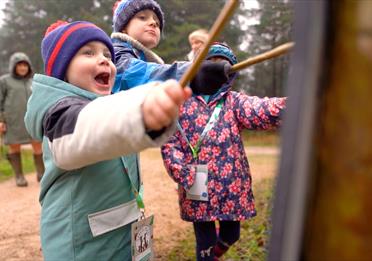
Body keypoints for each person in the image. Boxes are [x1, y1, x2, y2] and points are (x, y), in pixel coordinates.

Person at [24, 20, 191, 260]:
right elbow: (87, 129)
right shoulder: (59, 114)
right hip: (80, 249)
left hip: (120, 238)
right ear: (61, 69)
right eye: (88, 53)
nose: (105, 60)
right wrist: (141, 112)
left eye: (107, 55)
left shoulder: (106, 104)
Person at [161, 42, 287, 261]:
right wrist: (182, 171)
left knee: (232, 234)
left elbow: (262, 109)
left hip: (231, 187)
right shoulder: (182, 104)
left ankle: (215, 255)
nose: (217, 71)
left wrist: (294, 104)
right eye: (212, 64)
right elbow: (170, 142)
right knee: (205, 244)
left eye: (224, 65)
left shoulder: (234, 102)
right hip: (195, 185)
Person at [111, 0, 230, 95]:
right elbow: (133, 74)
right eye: (142, 17)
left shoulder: (145, 60)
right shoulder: (114, 53)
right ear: (123, 27)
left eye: (157, 23)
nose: (153, 23)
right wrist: (192, 73)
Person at [0, 52, 44, 187]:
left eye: (25, 65)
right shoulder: (4, 81)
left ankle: (41, 174)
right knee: (14, 146)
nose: (23, 68)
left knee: (37, 144)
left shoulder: (33, 81)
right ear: (14, 66)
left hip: (32, 119)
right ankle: (19, 176)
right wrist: (1, 120)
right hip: (13, 120)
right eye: (19, 65)